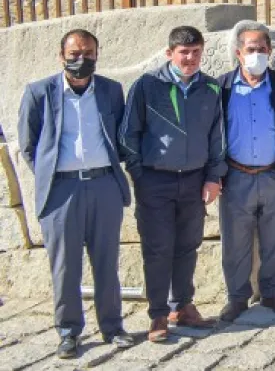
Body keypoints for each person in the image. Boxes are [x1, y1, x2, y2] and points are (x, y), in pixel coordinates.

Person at [17, 30, 136, 358]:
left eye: (88, 53)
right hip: (61, 190)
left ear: (97, 55)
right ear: (61, 56)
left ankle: (113, 327)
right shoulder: (39, 93)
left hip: (103, 186)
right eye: (74, 53)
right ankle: (68, 332)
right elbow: (28, 147)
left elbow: (120, 136)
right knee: (65, 265)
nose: (80, 60)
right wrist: (51, 176)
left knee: (107, 261)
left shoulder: (111, 91)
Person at [119, 26, 225, 341]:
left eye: (195, 52)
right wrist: (139, 174)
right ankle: (158, 314)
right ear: (170, 54)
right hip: (155, 181)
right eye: (183, 52)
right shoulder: (147, 86)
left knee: (188, 246)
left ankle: (184, 306)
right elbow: (128, 134)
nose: (190, 58)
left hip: (194, 181)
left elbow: (217, 136)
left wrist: (213, 176)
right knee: (158, 248)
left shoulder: (211, 89)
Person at [215, 22, 275, 321]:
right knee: (235, 241)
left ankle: (272, 292)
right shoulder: (223, 88)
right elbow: (212, 134)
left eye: (262, 49)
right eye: (250, 49)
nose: (257, 54)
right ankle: (237, 297)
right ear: (239, 53)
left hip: (274, 174)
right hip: (235, 176)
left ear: (270, 51)